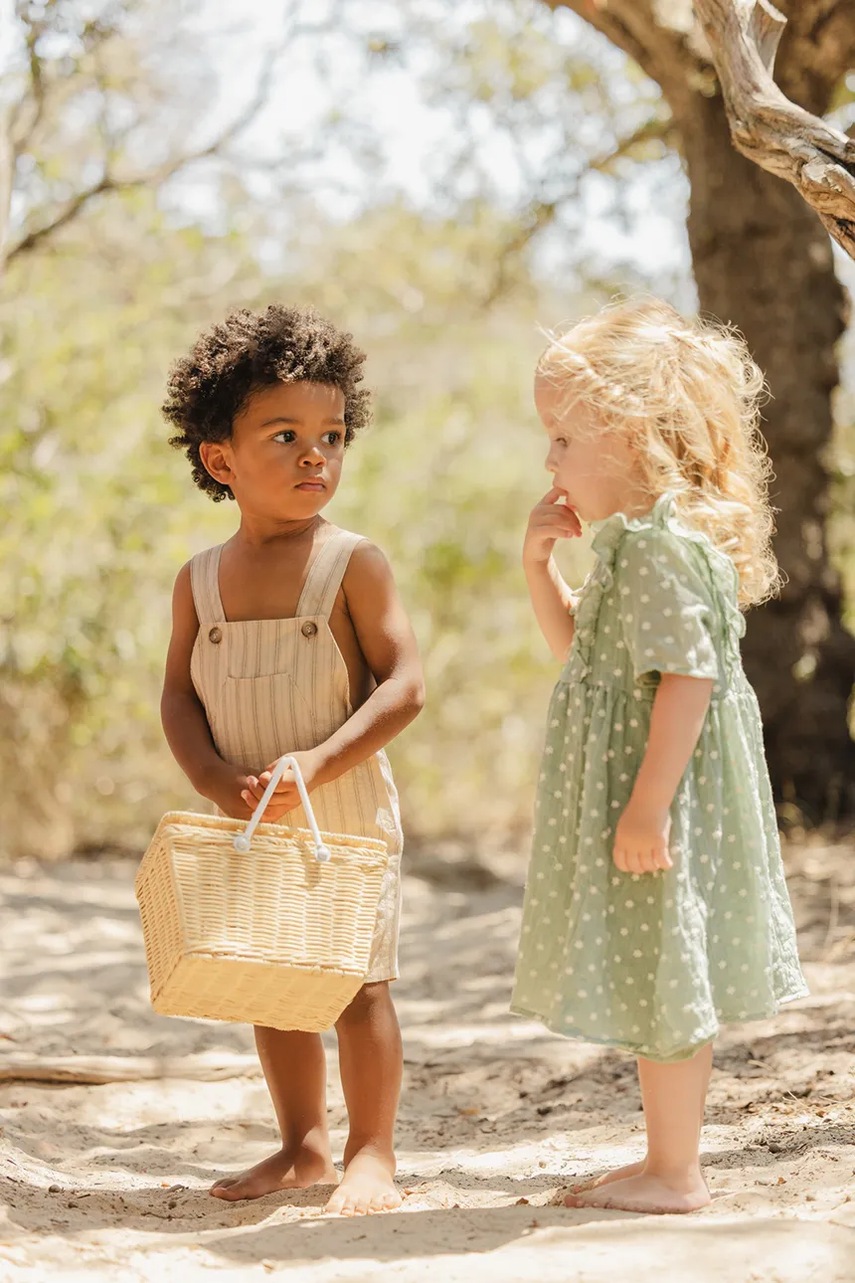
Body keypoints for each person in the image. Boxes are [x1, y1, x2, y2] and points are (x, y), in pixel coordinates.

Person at [511, 296, 807, 1214]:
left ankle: (675, 1170)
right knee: (656, 969)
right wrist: (538, 571)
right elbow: (587, 664)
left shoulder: (656, 551)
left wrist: (645, 806)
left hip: (659, 793)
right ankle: (662, 1159)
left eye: (563, 437)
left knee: (667, 969)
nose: (550, 458)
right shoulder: (640, 544)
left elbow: (690, 680)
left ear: (630, 432)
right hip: (653, 784)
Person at [160, 304, 425, 1215]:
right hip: (246, 813)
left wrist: (315, 764)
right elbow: (177, 696)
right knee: (274, 980)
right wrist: (209, 778)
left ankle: (372, 1150)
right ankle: (302, 1145)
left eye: (332, 435)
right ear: (220, 459)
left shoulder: (352, 563)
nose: (317, 455)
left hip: (339, 811)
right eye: (286, 435)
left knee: (356, 984)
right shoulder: (198, 580)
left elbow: (404, 686)